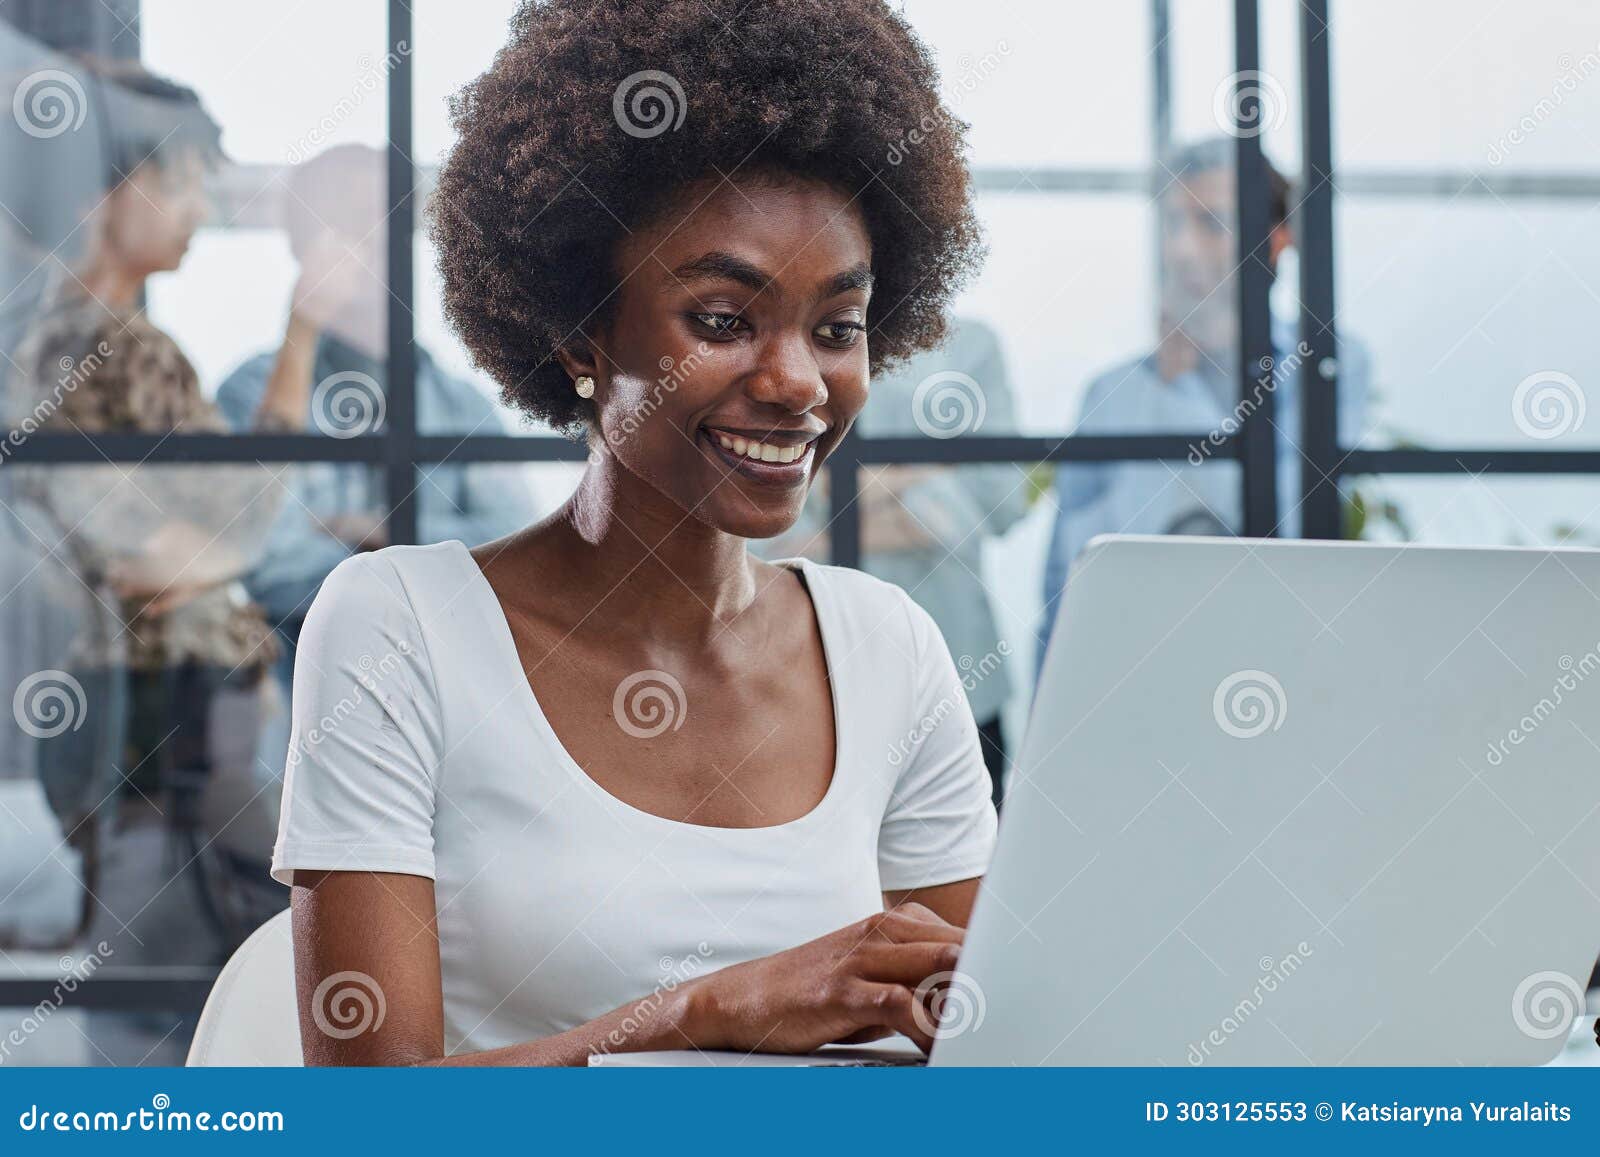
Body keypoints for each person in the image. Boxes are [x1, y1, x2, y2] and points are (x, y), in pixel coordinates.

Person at [272, 0, 998, 1065]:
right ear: (581, 331)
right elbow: (363, 1115)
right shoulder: (401, 625)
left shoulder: (889, 644)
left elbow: (994, 1047)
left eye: (837, 329)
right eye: (720, 318)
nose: (796, 381)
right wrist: (693, 1014)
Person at [4, 60, 307, 980]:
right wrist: (303, 334)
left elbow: (212, 535)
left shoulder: (100, 339)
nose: (196, 211)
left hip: (165, 709)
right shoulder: (92, 344)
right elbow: (171, 553)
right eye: (180, 183)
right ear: (115, 189)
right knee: (249, 954)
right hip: (157, 709)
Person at [1037, 138, 1371, 665]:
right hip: (1139, 669)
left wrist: (1180, 392)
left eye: (1210, 224)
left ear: (1276, 241)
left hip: (1282, 662)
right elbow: (1072, 579)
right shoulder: (1112, 394)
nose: (1181, 250)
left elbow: (1280, 526)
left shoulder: (1326, 369)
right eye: (1172, 226)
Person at [215, 144, 534, 683]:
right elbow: (266, 563)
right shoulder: (252, 393)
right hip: (297, 695)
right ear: (301, 244)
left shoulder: (459, 403)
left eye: (382, 221)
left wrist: (388, 531)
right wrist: (432, 564)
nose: (365, 242)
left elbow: (513, 541)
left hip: (443, 689)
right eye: (339, 224)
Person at [762, 317, 1029, 806]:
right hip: (810, 680)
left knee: (972, 868)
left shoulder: (972, 346)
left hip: (961, 669)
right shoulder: (784, 346)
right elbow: (769, 532)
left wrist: (834, 497)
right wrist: (926, 472)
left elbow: (999, 501)